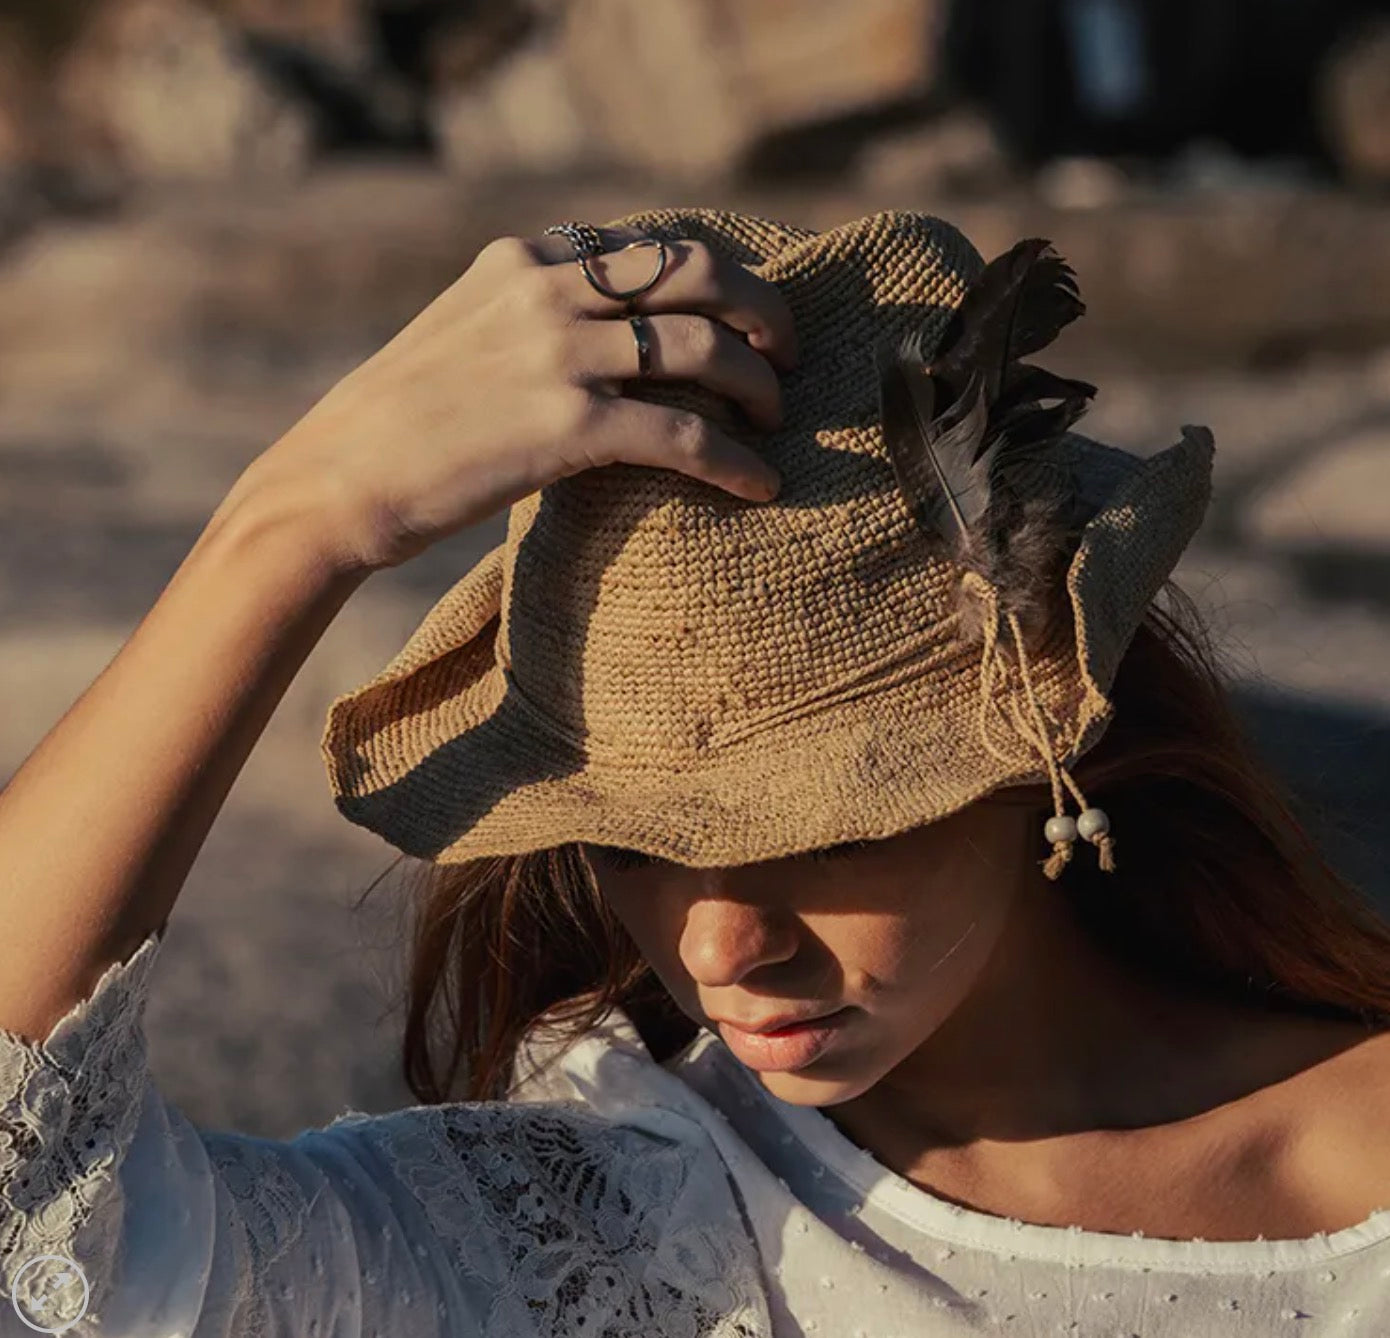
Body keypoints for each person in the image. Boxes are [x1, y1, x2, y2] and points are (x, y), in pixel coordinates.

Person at [1, 207, 1388, 1338]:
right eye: (636, 841)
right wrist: (296, 517)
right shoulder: (587, 1232)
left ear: (1042, 743)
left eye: (826, 827)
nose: (723, 941)